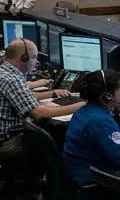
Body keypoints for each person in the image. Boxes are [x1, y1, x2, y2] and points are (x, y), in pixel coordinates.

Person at [0, 39, 85, 167]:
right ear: (23, 58)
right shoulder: (12, 79)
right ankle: (59, 181)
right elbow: (38, 113)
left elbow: (24, 97)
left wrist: (51, 94)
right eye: (34, 58)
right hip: (7, 141)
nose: (36, 63)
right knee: (55, 136)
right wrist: (79, 106)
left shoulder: (5, 72)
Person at [61, 69, 120, 186]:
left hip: (73, 176)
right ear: (108, 96)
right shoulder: (100, 121)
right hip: (89, 182)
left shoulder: (84, 111)